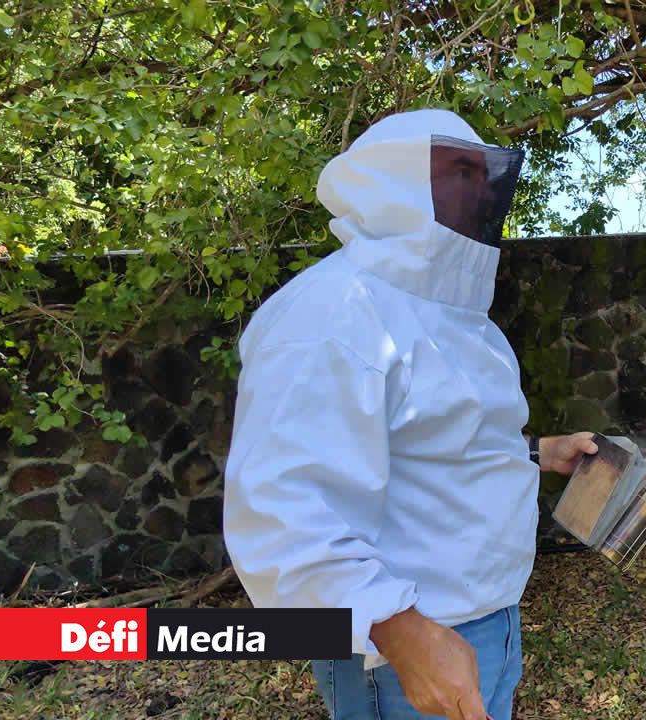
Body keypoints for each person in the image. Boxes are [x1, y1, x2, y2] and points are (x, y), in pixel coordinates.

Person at [222, 108, 599, 720]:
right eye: (456, 169)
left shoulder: (458, 318)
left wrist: (539, 451)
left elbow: (445, 438)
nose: (477, 189)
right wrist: (403, 634)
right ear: (390, 179)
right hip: (402, 648)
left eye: (482, 173)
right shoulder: (329, 315)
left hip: (488, 622)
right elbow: (285, 512)